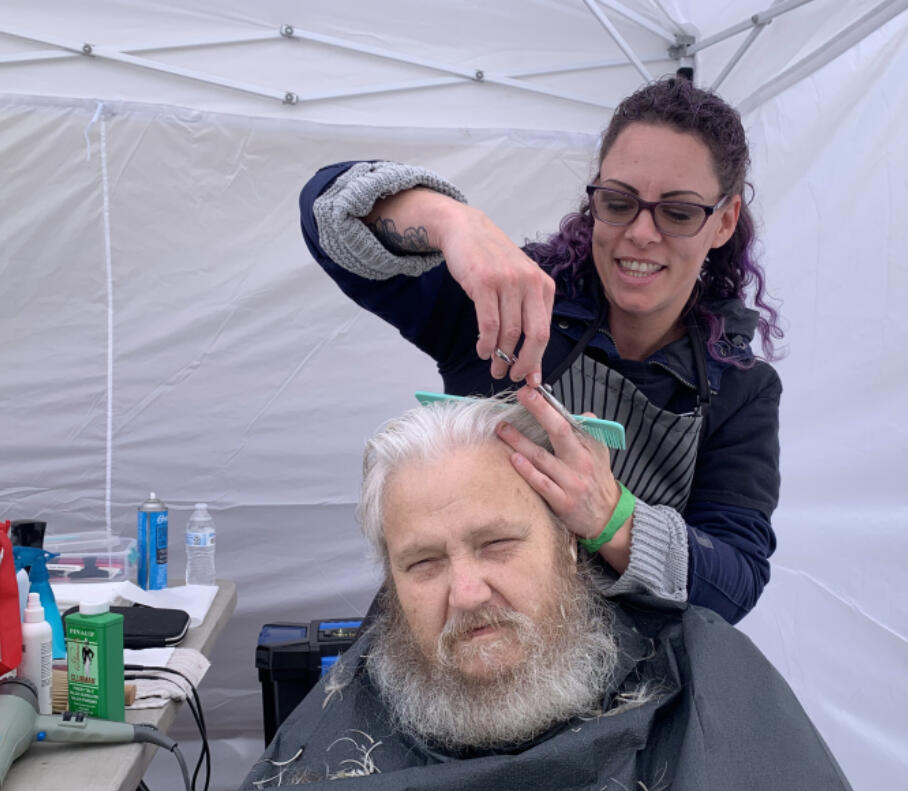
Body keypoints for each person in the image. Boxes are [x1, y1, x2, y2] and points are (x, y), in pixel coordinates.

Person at [189, 397, 908, 791]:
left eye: (498, 544)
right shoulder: (339, 730)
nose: (468, 591)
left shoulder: (701, 682)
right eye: (423, 564)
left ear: (570, 539)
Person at [299, 76, 781, 625]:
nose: (641, 234)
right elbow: (326, 211)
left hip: (626, 675)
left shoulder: (739, 386)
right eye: (619, 202)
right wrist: (453, 224)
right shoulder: (508, 302)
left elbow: (736, 581)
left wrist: (611, 515)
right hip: (459, 633)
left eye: (677, 213)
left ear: (723, 221)